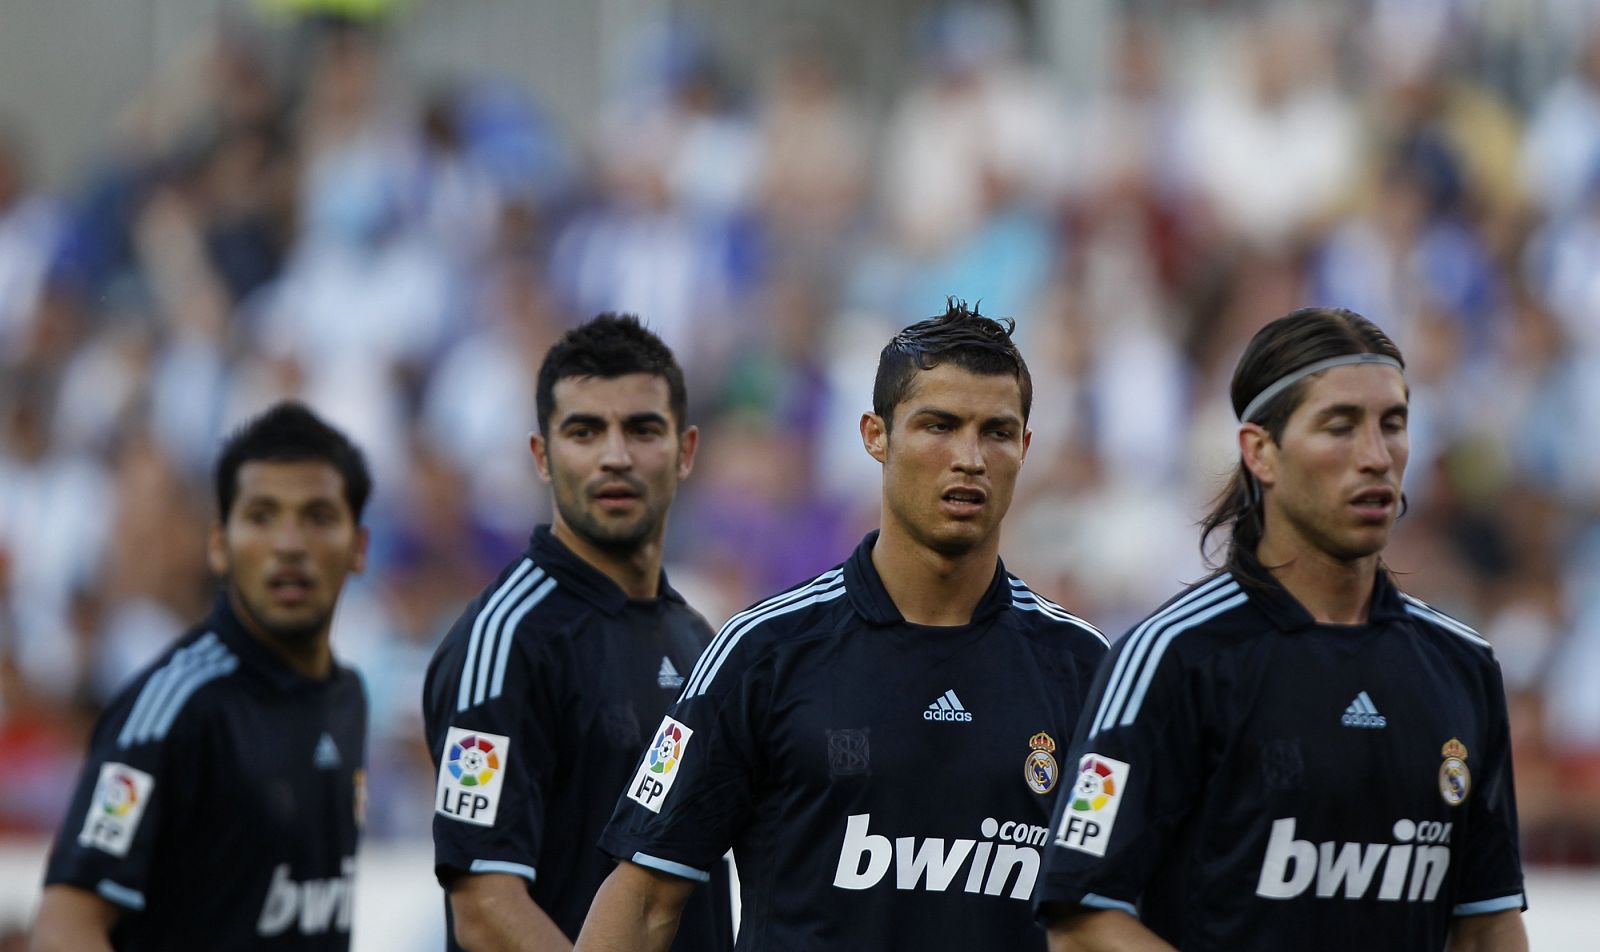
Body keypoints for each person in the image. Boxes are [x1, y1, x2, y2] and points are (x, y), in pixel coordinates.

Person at [578, 301, 1110, 951]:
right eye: (938, 425)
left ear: (1025, 447)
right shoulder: (765, 652)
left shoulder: (1084, 669)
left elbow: (1108, 919)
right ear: (875, 435)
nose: (969, 457)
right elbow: (644, 903)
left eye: (996, 431)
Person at [1035, 307, 1528, 951]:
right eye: (1340, 426)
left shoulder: (1464, 667)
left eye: (1394, 424)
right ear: (1259, 451)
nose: (1376, 457)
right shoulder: (1170, 659)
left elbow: (1487, 922)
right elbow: (1081, 921)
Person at [421, 314, 730, 951]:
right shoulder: (505, 643)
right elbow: (483, 908)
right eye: (585, 431)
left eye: (642, 429)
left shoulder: (699, 640)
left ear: (687, 450)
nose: (615, 456)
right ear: (541, 455)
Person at [30, 402, 373, 951]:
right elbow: (63, 927)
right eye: (262, 515)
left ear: (359, 547)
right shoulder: (174, 710)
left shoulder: (347, 696)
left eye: (318, 516)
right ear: (219, 545)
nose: (289, 544)